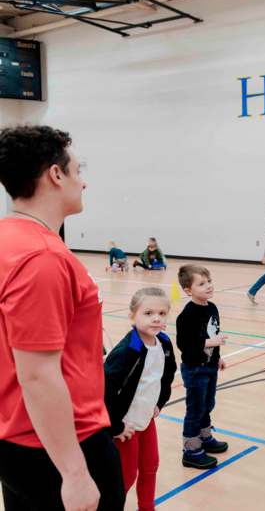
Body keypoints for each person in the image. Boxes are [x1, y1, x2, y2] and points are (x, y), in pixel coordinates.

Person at [0, 125, 125, 510]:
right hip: (62, 446)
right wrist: (74, 474)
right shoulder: (42, 258)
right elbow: (38, 374)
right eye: (77, 171)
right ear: (56, 175)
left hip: (19, 441)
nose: (83, 183)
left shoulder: (7, 238)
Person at [104, 288, 176, 511]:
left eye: (162, 314)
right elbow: (106, 388)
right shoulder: (128, 350)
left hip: (146, 419)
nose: (156, 318)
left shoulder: (163, 343)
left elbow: (168, 374)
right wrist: (115, 425)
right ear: (132, 316)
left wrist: (159, 402)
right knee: (125, 477)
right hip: (126, 424)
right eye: (148, 313)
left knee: (150, 466)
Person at [176, 264, 229, 469]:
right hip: (195, 369)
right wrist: (209, 344)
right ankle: (191, 449)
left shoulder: (212, 308)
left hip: (209, 367)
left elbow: (213, 333)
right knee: (195, 408)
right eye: (201, 284)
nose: (208, 286)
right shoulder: (187, 315)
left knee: (207, 404)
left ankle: (205, 436)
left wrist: (217, 357)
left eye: (209, 282)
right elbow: (185, 345)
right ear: (188, 290)